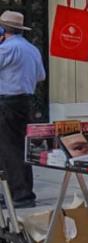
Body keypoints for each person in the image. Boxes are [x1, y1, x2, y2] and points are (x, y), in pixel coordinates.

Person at [0, 11, 46, 208]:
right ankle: (18, 191)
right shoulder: (31, 49)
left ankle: (20, 194)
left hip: (7, 102)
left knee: (9, 149)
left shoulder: (7, 49)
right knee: (19, 147)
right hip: (24, 101)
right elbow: (40, 76)